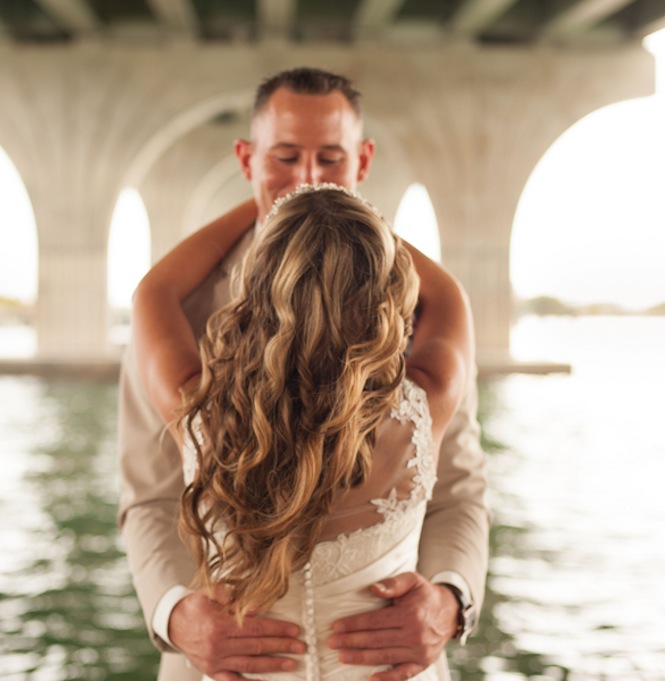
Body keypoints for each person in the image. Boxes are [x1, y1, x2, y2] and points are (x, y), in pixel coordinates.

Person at [118, 67, 489, 681]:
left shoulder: (195, 403)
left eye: (330, 160)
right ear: (248, 157)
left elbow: (463, 493)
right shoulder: (429, 383)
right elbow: (148, 497)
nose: (310, 179)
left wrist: (450, 601)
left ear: (363, 160)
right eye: (285, 158)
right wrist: (175, 613)